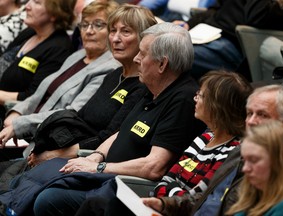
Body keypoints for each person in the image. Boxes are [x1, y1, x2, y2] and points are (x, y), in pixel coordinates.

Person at [0, 22, 205, 216]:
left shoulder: (183, 99)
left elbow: (153, 167)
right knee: (34, 174)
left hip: (125, 188)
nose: (136, 59)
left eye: (143, 54)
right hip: (103, 174)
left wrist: (98, 167)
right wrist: (95, 156)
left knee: (49, 197)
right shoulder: (152, 87)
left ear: (162, 64)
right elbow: (120, 132)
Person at [101, 70, 252, 216]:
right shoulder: (204, 138)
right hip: (162, 205)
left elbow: (197, 198)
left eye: (201, 95)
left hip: (174, 210)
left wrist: (170, 191)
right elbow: (165, 181)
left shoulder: (231, 152)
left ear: (217, 106)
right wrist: (172, 192)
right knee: (100, 205)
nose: (195, 99)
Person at [26, 3, 157, 167]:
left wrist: (53, 155)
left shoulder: (143, 86)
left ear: (145, 40)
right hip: (67, 151)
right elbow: (78, 119)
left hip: (85, 161)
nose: (116, 38)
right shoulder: (113, 75)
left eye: (125, 31)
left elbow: (109, 137)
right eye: (113, 31)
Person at [142, 84, 283, 216]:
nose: (251, 122)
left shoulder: (278, 173)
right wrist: (166, 204)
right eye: (249, 114)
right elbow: (207, 198)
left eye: (262, 115)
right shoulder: (238, 151)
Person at [0, 1, 120, 160]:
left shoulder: (110, 68)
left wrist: (21, 124)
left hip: (51, 144)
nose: (89, 31)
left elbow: (71, 113)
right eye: (84, 25)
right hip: (30, 134)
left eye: (98, 25)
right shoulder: (78, 56)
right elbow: (39, 94)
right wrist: (17, 112)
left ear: (112, 31)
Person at [173, 0, 283, 81]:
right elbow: (216, 9)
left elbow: (256, 17)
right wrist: (188, 24)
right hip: (207, 33)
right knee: (162, 44)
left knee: (173, 56)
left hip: (234, 43)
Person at [0, 0, 77, 120]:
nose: (27, 6)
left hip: (11, 116)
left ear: (55, 14)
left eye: (37, 2)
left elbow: (34, 97)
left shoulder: (59, 49)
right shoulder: (30, 32)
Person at [226, 120, 283, 215]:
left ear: (278, 160)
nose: (245, 168)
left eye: (253, 160)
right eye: (244, 160)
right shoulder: (250, 197)